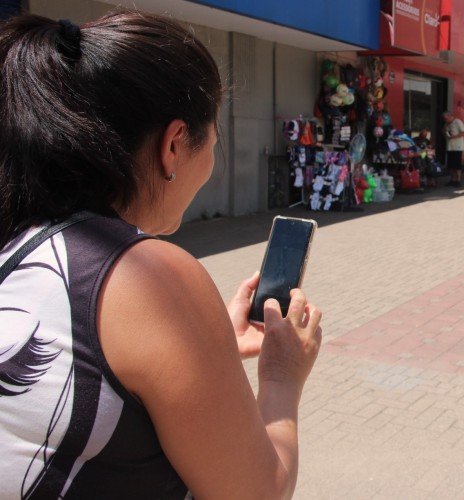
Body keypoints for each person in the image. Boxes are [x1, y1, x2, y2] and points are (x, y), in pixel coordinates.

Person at [0, 11, 321, 499]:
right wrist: (281, 376)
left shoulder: (20, 237)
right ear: (174, 146)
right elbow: (256, 491)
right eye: (213, 139)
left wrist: (204, 354)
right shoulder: (148, 274)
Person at [443, 110, 464, 187]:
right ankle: (452, 180)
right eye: (444, 119)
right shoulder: (447, 124)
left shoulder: (457, 122)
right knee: (451, 165)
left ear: (450, 116)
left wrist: (455, 136)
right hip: (450, 147)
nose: (445, 120)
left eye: (446, 118)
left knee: (457, 165)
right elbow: (444, 131)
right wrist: (445, 130)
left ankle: (458, 180)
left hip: (458, 147)